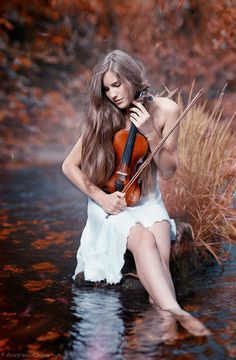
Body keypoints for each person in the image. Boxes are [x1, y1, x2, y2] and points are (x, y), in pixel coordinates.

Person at [62, 49, 211, 339]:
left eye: (117, 84)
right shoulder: (104, 114)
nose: (113, 94)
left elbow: (168, 171)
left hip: (147, 199)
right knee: (142, 240)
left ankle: (165, 323)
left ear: (132, 78)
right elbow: (69, 166)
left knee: (159, 259)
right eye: (106, 89)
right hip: (109, 199)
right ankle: (178, 312)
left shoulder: (167, 110)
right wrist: (102, 198)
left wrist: (150, 131)